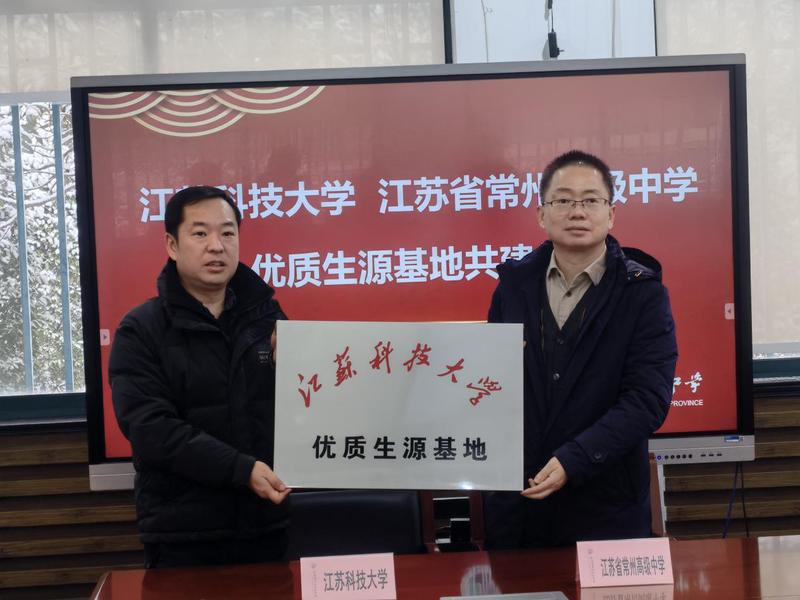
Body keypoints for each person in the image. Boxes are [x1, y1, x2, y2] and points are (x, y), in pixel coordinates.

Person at [484, 150, 677, 547]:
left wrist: (575, 459)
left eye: (590, 200)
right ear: (542, 214)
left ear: (611, 214)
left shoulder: (643, 295)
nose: (577, 212)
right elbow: (491, 387)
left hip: (606, 508)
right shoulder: (511, 289)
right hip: (520, 507)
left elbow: (647, 400)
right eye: (563, 200)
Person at [109, 185, 291, 568]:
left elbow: (300, 412)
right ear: (172, 245)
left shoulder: (269, 321)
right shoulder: (141, 330)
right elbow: (151, 429)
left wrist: (298, 373)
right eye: (200, 233)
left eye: (227, 233)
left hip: (266, 526)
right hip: (184, 536)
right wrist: (240, 470)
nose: (216, 246)